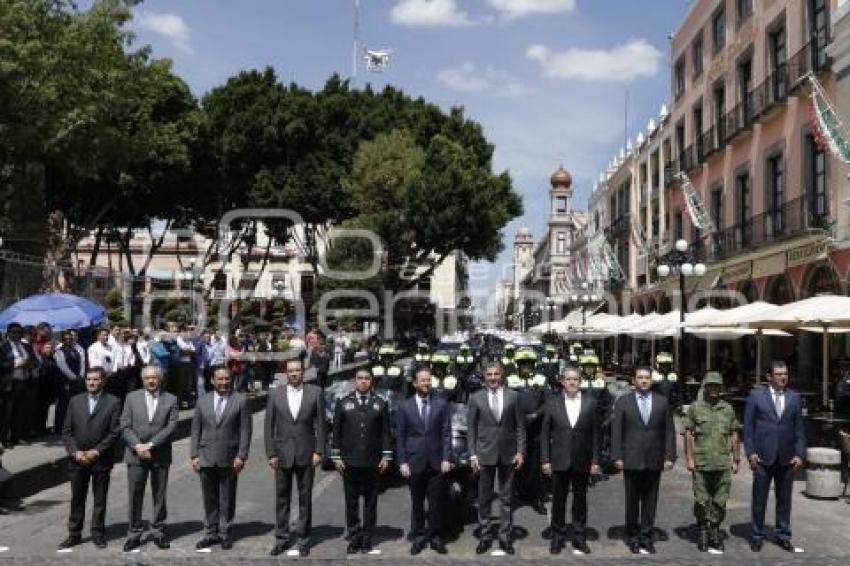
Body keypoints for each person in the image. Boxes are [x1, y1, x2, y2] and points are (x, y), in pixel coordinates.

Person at [611, 366, 676, 554]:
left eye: (647, 377)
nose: (644, 380)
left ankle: (647, 536)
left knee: (650, 500)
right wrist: (617, 456)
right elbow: (617, 431)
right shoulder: (623, 402)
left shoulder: (662, 402)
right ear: (634, 381)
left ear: (652, 380)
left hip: (654, 458)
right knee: (632, 501)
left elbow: (669, 431)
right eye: (640, 377)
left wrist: (669, 456)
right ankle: (632, 536)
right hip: (631, 458)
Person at [264, 357, 325, 557]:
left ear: (304, 372)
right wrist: (271, 453)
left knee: (305, 498)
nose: (294, 374)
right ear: (286, 373)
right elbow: (268, 426)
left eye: (298, 370)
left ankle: (303, 539)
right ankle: (281, 538)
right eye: (291, 371)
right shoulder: (275, 394)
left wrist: (319, 450)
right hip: (282, 454)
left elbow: (321, 425)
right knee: (282, 499)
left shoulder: (315, 393)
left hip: (307, 454)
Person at [743, 360, 806, 553]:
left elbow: (799, 428)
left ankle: (782, 534)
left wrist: (800, 453)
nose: (783, 377)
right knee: (759, 498)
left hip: (787, 457)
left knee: (785, 499)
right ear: (769, 376)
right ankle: (757, 535)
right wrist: (750, 452)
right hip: (762, 456)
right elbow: (748, 426)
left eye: (785, 373)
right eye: (778, 374)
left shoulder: (794, 398)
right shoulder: (756, 396)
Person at [331, 367, 392, 554]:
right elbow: (337, 432)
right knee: (351, 501)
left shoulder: (381, 404)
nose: (363, 381)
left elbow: (386, 433)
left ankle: (367, 537)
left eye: (367, 378)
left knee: (370, 502)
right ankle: (355, 535)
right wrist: (335, 456)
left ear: (372, 381)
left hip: (373, 462)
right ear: (354, 381)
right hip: (349, 461)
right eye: (360, 378)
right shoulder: (343, 403)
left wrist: (386, 456)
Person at [467, 361, 526, 555]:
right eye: (489, 374)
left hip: (508, 454)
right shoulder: (475, 398)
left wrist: (520, 451)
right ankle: (485, 536)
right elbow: (471, 429)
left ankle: (505, 537)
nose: (493, 378)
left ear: (502, 376)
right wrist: (472, 454)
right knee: (484, 499)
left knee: (506, 499)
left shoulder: (513, 396)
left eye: (496, 374)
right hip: (484, 454)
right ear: (484, 376)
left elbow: (520, 426)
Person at [59, 367, 121, 550]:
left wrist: (97, 451)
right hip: (77, 459)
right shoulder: (75, 401)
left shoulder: (113, 402)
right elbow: (67, 431)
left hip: (100, 459)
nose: (91, 383)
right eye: (88, 379)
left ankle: (98, 532)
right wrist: (74, 452)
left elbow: (115, 431)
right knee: (77, 498)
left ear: (103, 381)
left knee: (99, 498)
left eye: (95, 379)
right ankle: (74, 534)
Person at [541, 366, 601, 555]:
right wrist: (545, 460)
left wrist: (596, 461)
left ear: (580, 381)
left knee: (580, 501)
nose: (572, 382)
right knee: (558, 501)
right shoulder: (552, 403)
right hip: (559, 460)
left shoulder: (591, 403)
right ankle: (557, 537)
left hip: (582, 460)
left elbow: (596, 436)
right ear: (562, 382)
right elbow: (544, 435)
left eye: (575, 379)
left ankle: (579, 536)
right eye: (568, 379)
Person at [191, 366, 252, 550]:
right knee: (209, 497)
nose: (224, 382)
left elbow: (245, 430)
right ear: (212, 381)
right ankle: (211, 532)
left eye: (227, 379)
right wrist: (194, 455)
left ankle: (225, 531)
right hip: (206, 455)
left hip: (230, 456)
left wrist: (241, 455)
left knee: (227, 496)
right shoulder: (202, 401)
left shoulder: (240, 400)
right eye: (220, 379)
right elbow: (195, 429)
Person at [120, 365, 179, 552]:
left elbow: (171, 427)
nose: (151, 381)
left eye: (154, 377)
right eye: (147, 378)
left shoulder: (171, 399)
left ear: (160, 379)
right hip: (135, 454)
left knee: (159, 495)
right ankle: (134, 533)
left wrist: (151, 445)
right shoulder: (131, 398)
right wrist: (138, 446)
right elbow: (124, 425)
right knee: (135, 494)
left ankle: (158, 531)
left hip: (159, 454)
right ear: (142, 380)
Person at [396, 365, 452, 555]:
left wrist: (447, 457)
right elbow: (401, 436)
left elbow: (446, 432)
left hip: (436, 461)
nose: (426, 383)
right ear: (414, 383)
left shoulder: (441, 403)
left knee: (436, 503)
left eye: (429, 380)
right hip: (414, 461)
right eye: (423, 380)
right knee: (417, 502)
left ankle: (436, 538)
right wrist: (402, 461)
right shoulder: (405, 406)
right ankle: (419, 537)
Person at [684, 371, 741, 552]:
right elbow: (688, 434)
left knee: (720, 500)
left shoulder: (728, 409)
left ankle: (715, 530)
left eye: (717, 386)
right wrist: (690, 458)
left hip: (723, 462)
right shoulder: (695, 408)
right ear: (705, 387)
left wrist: (736, 459)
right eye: (710, 386)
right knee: (701, 499)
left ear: (720, 388)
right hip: (701, 462)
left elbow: (734, 433)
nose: (714, 389)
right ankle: (702, 529)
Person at [0, 323, 37, 447]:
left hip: (25, 382)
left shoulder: (26, 346)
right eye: (14, 332)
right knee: (7, 414)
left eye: (19, 332)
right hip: (10, 384)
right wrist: (16, 364)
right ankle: (5, 439)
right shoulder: (2, 346)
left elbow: (35, 360)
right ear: (8, 333)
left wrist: (30, 364)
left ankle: (18, 437)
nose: (16, 334)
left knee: (21, 412)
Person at [55, 330, 87, 437]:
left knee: (74, 404)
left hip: (77, 380)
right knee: (63, 405)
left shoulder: (76, 350)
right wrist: (73, 377)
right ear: (62, 340)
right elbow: (63, 366)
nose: (69, 340)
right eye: (66, 339)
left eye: (70, 338)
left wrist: (81, 375)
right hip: (66, 381)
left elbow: (82, 363)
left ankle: (72, 427)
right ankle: (59, 427)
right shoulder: (59, 351)